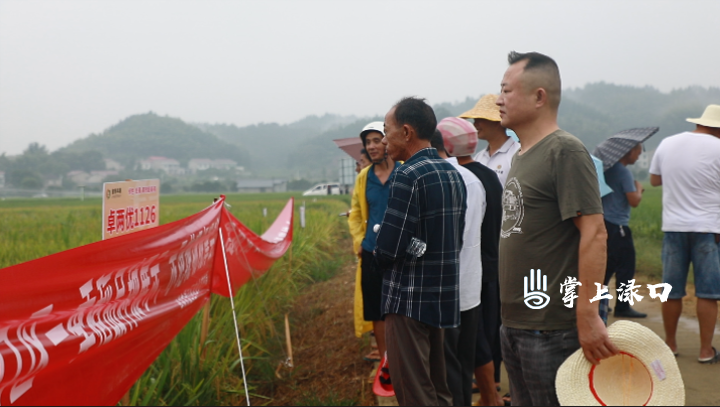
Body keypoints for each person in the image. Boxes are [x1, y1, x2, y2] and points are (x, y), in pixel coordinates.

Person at [496, 51, 617, 406]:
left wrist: (588, 314)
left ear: (539, 97)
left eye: (507, 91)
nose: (499, 100)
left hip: (550, 328)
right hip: (514, 323)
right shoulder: (522, 154)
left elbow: (595, 233)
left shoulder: (563, 150)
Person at [375, 97, 467, 406]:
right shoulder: (452, 173)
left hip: (408, 297)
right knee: (438, 387)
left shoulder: (407, 174)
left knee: (413, 389)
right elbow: (452, 238)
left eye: (386, 131)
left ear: (406, 131)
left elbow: (389, 248)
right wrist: (418, 247)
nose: (384, 140)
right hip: (441, 296)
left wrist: (382, 249)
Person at [649, 104, 720, 364]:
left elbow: (655, 180)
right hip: (708, 230)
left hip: (674, 227)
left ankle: (670, 344)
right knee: (708, 292)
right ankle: (705, 351)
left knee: (671, 290)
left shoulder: (668, 143)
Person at [461, 93, 514, 404]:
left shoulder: (515, 155)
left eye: (479, 119)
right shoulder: (479, 160)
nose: (475, 124)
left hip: (507, 247)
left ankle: (496, 386)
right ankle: (490, 385)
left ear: (495, 121)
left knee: (500, 318)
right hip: (484, 248)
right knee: (487, 317)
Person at [432, 122, 485, 407]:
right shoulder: (471, 179)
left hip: (445, 289)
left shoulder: (437, 180)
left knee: (445, 370)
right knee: (464, 366)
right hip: (470, 287)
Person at [348, 122, 400, 362]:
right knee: (377, 311)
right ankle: (386, 362)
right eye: (368, 142)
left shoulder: (403, 172)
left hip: (400, 255)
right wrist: (359, 240)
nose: (372, 146)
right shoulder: (363, 178)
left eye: (376, 140)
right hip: (371, 252)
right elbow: (356, 212)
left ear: (388, 141)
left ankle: (403, 359)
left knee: (400, 311)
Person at [598, 143, 647, 318]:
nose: (639, 156)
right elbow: (633, 200)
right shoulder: (623, 172)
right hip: (618, 225)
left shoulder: (607, 170)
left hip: (603, 222)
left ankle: (600, 302)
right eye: (638, 152)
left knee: (606, 266)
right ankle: (623, 306)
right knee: (626, 267)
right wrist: (639, 189)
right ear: (630, 151)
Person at [460, 94, 520, 187]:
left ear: (497, 121)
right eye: (475, 119)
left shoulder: (517, 154)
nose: (475, 124)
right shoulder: (479, 157)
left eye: (480, 119)